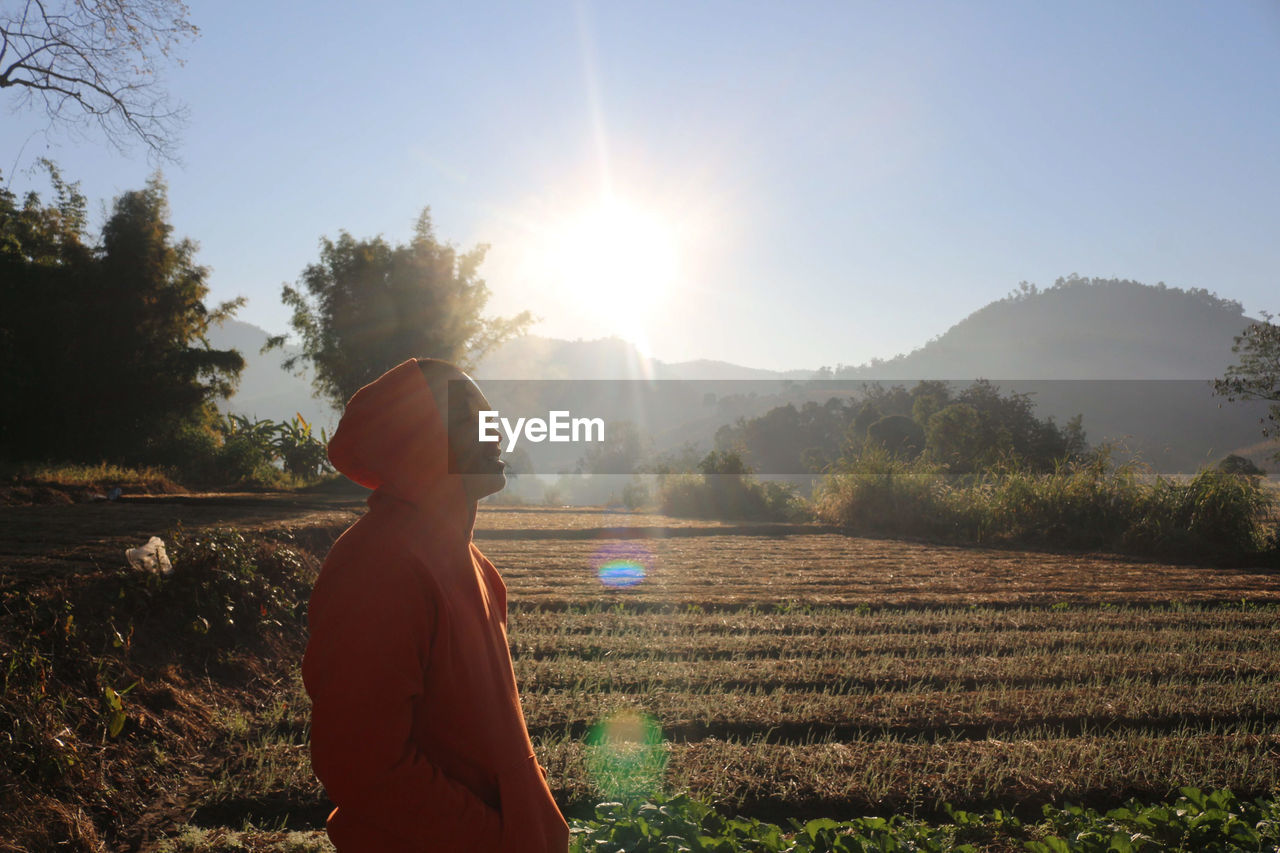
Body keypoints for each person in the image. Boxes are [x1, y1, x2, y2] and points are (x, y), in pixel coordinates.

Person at [301, 358, 569, 852]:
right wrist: (499, 840)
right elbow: (361, 766)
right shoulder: (379, 566)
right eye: (471, 420)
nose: (497, 432)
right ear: (419, 440)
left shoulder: (477, 568)